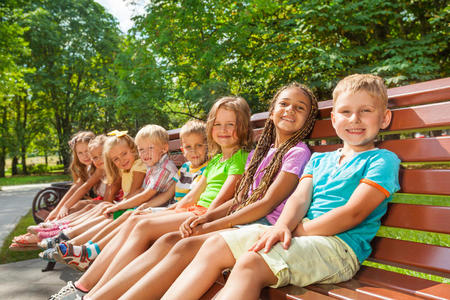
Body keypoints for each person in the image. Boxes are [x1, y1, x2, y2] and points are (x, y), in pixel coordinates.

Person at [163, 74, 401, 300]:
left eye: (366, 111)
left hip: (339, 247)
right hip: (300, 235)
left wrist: (295, 230)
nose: (354, 119)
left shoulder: (382, 160)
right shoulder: (320, 160)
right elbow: (299, 199)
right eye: (346, 112)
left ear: (384, 118)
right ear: (334, 119)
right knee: (215, 244)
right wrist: (282, 226)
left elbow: (353, 213)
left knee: (251, 262)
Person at [85, 82, 320, 300]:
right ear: (272, 111)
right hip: (242, 220)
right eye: (284, 103)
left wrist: (214, 224)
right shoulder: (261, 152)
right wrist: (206, 217)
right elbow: (241, 199)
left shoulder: (297, 153)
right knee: (170, 239)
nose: (290, 110)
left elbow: (266, 204)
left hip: (263, 227)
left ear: (308, 119)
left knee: (184, 244)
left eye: (300, 107)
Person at [49, 96, 252, 299]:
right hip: (192, 210)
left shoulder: (240, 157)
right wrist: (168, 210)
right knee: (136, 218)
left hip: (205, 215)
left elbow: (224, 196)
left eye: (230, 124)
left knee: (143, 225)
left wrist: (203, 217)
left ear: (241, 126)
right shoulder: (216, 160)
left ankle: (89, 290)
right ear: (211, 127)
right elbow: (191, 197)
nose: (223, 129)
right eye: (218, 124)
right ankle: (90, 285)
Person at [52, 125, 180, 270]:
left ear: (163, 148)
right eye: (141, 149)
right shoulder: (153, 165)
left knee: (122, 215)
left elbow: (146, 194)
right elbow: (145, 192)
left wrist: (119, 205)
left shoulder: (162, 168)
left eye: (149, 148)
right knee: (116, 213)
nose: (144, 153)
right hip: (149, 207)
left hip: (158, 210)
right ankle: (86, 247)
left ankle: (86, 249)